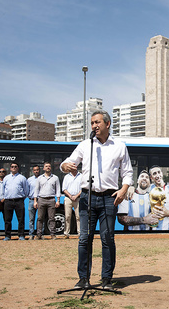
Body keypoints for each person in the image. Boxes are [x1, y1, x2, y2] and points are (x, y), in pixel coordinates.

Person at [60, 110, 133, 291]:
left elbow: (128, 172)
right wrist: (65, 166)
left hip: (109, 198)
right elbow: (67, 162)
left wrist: (123, 190)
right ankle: (83, 279)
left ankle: (106, 280)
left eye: (97, 122)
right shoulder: (85, 145)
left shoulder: (119, 146)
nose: (94, 126)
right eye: (92, 123)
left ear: (107, 124)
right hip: (87, 197)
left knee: (107, 239)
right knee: (85, 238)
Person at [34, 162, 61, 240]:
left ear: (51, 168)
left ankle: (53, 234)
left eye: (49, 166)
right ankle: (39, 234)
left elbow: (58, 189)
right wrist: (35, 201)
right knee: (40, 218)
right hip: (41, 199)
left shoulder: (55, 178)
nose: (48, 167)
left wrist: (58, 200)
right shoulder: (40, 178)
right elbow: (36, 190)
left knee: (52, 218)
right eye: (46, 166)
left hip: (51, 199)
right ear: (43, 168)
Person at [2, 162, 28, 241]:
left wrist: (22, 198)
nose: (14, 168)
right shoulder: (6, 178)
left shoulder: (22, 178)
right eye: (12, 166)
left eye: (15, 166)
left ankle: (21, 235)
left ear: (18, 168)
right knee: (7, 219)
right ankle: (7, 235)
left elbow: (26, 190)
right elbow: (4, 190)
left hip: (19, 201)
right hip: (8, 201)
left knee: (21, 219)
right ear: (10, 168)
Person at [62, 164, 82, 238]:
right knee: (67, 216)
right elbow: (64, 188)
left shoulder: (81, 176)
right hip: (68, 198)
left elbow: (83, 188)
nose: (74, 168)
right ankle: (66, 233)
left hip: (78, 198)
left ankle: (80, 233)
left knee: (78, 216)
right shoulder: (66, 177)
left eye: (75, 166)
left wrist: (76, 196)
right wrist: (70, 196)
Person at [27, 165, 41, 240]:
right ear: (33, 171)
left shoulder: (42, 178)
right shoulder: (29, 180)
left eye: (37, 170)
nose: (36, 171)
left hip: (40, 200)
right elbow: (27, 190)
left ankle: (40, 233)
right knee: (31, 219)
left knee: (40, 218)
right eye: (35, 170)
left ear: (39, 170)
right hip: (31, 200)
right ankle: (31, 234)